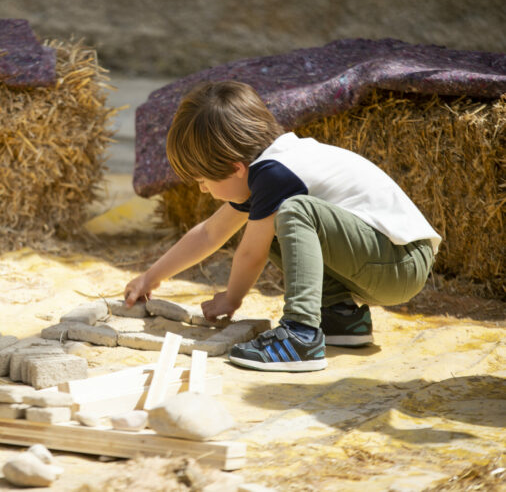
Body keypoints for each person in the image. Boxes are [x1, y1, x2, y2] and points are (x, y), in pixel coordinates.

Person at [124, 81, 440, 372]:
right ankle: (340, 319)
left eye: (204, 181)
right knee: (275, 223)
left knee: (293, 213)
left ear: (236, 168)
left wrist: (231, 298)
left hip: (401, 262)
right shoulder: (269, 168)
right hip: (385, 260)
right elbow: (210, 233)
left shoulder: (275, 173)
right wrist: (150, 277)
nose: (202, 190)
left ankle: (301, 334)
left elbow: (250, 254)